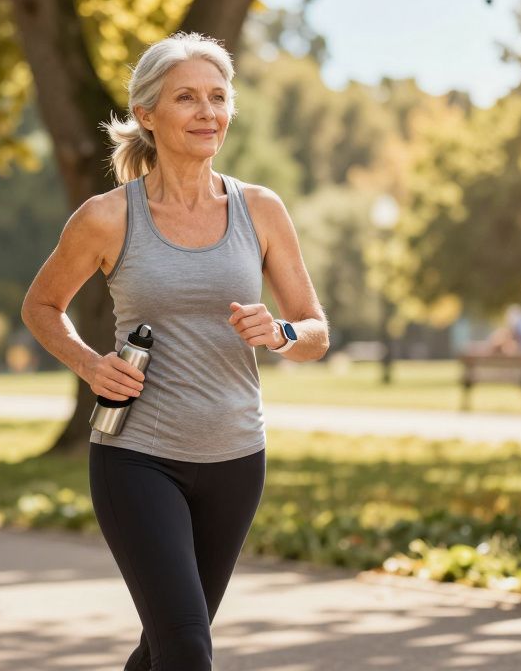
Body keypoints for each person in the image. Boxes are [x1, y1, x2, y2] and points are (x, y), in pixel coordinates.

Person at [21, 33, 330, 670]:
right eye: (186, 98)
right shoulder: (106, 217)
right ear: (147, 114)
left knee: (164, 646)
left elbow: (316, 332)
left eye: (217, 98)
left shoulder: (260, 210)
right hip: (138, 457)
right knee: (187, 645)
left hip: (236, 456)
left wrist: (280, 334)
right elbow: (40, 306)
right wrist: (89, 364)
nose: (206, 113)